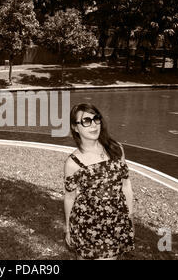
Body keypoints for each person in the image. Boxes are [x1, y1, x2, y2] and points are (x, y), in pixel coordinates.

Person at [64, 103, 135, 260]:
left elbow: (126, 185)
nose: (94, 125)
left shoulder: (116, 149)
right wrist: (68, 229)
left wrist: (129, 216)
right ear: (75, 128)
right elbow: (70, 197)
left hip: (114, 223)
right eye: (86, 121)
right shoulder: (73, 162)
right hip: (85, 225)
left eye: (96, 119)